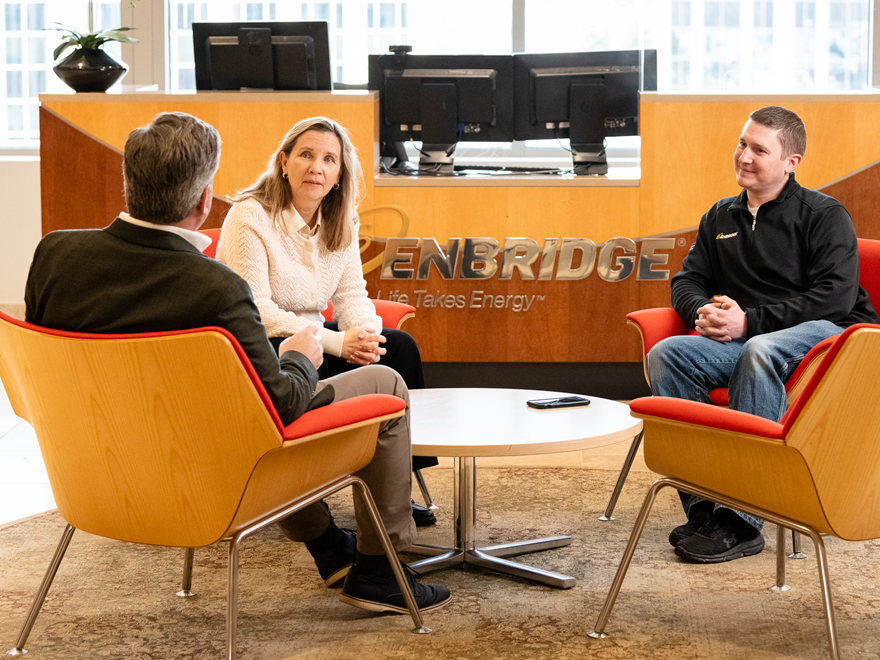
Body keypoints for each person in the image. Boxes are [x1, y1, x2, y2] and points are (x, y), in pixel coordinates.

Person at [24, 111, 450, 614]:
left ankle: (333, 547)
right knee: (384, 383)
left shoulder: (53, 256)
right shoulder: (216, 289)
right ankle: (380, 570)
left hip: (92, 474)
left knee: (382, 352)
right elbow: (282, 405)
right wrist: (297, 356)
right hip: (205, 472)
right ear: (205, 200)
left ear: (128, 182)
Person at [647, 105, 877, 564]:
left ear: (791, 162)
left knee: (759, 348)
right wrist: (701, 316)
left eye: (759, 149)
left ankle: (745, 520)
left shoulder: (824, 214)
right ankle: (706, 509)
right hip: (750, 341)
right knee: (668, 353)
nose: (743, 156)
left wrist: (748, 322)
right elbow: (687, 281)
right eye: (741, 144)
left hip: (827, 342)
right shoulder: (721, 216)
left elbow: (833, 299)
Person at [215, 116, 438, 526]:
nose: (316, 167)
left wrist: (365, 334)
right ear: (283, 162)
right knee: (319, 351)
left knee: (398, 348)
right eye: (305, 155)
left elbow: (352, 293)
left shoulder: (341, 219)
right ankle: (309, 488)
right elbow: (255, 309)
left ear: (339, 174)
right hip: (271, 345)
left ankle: (395, 487)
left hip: (321, 341)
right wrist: (339, 344)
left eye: (329, 159)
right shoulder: (250, 215)